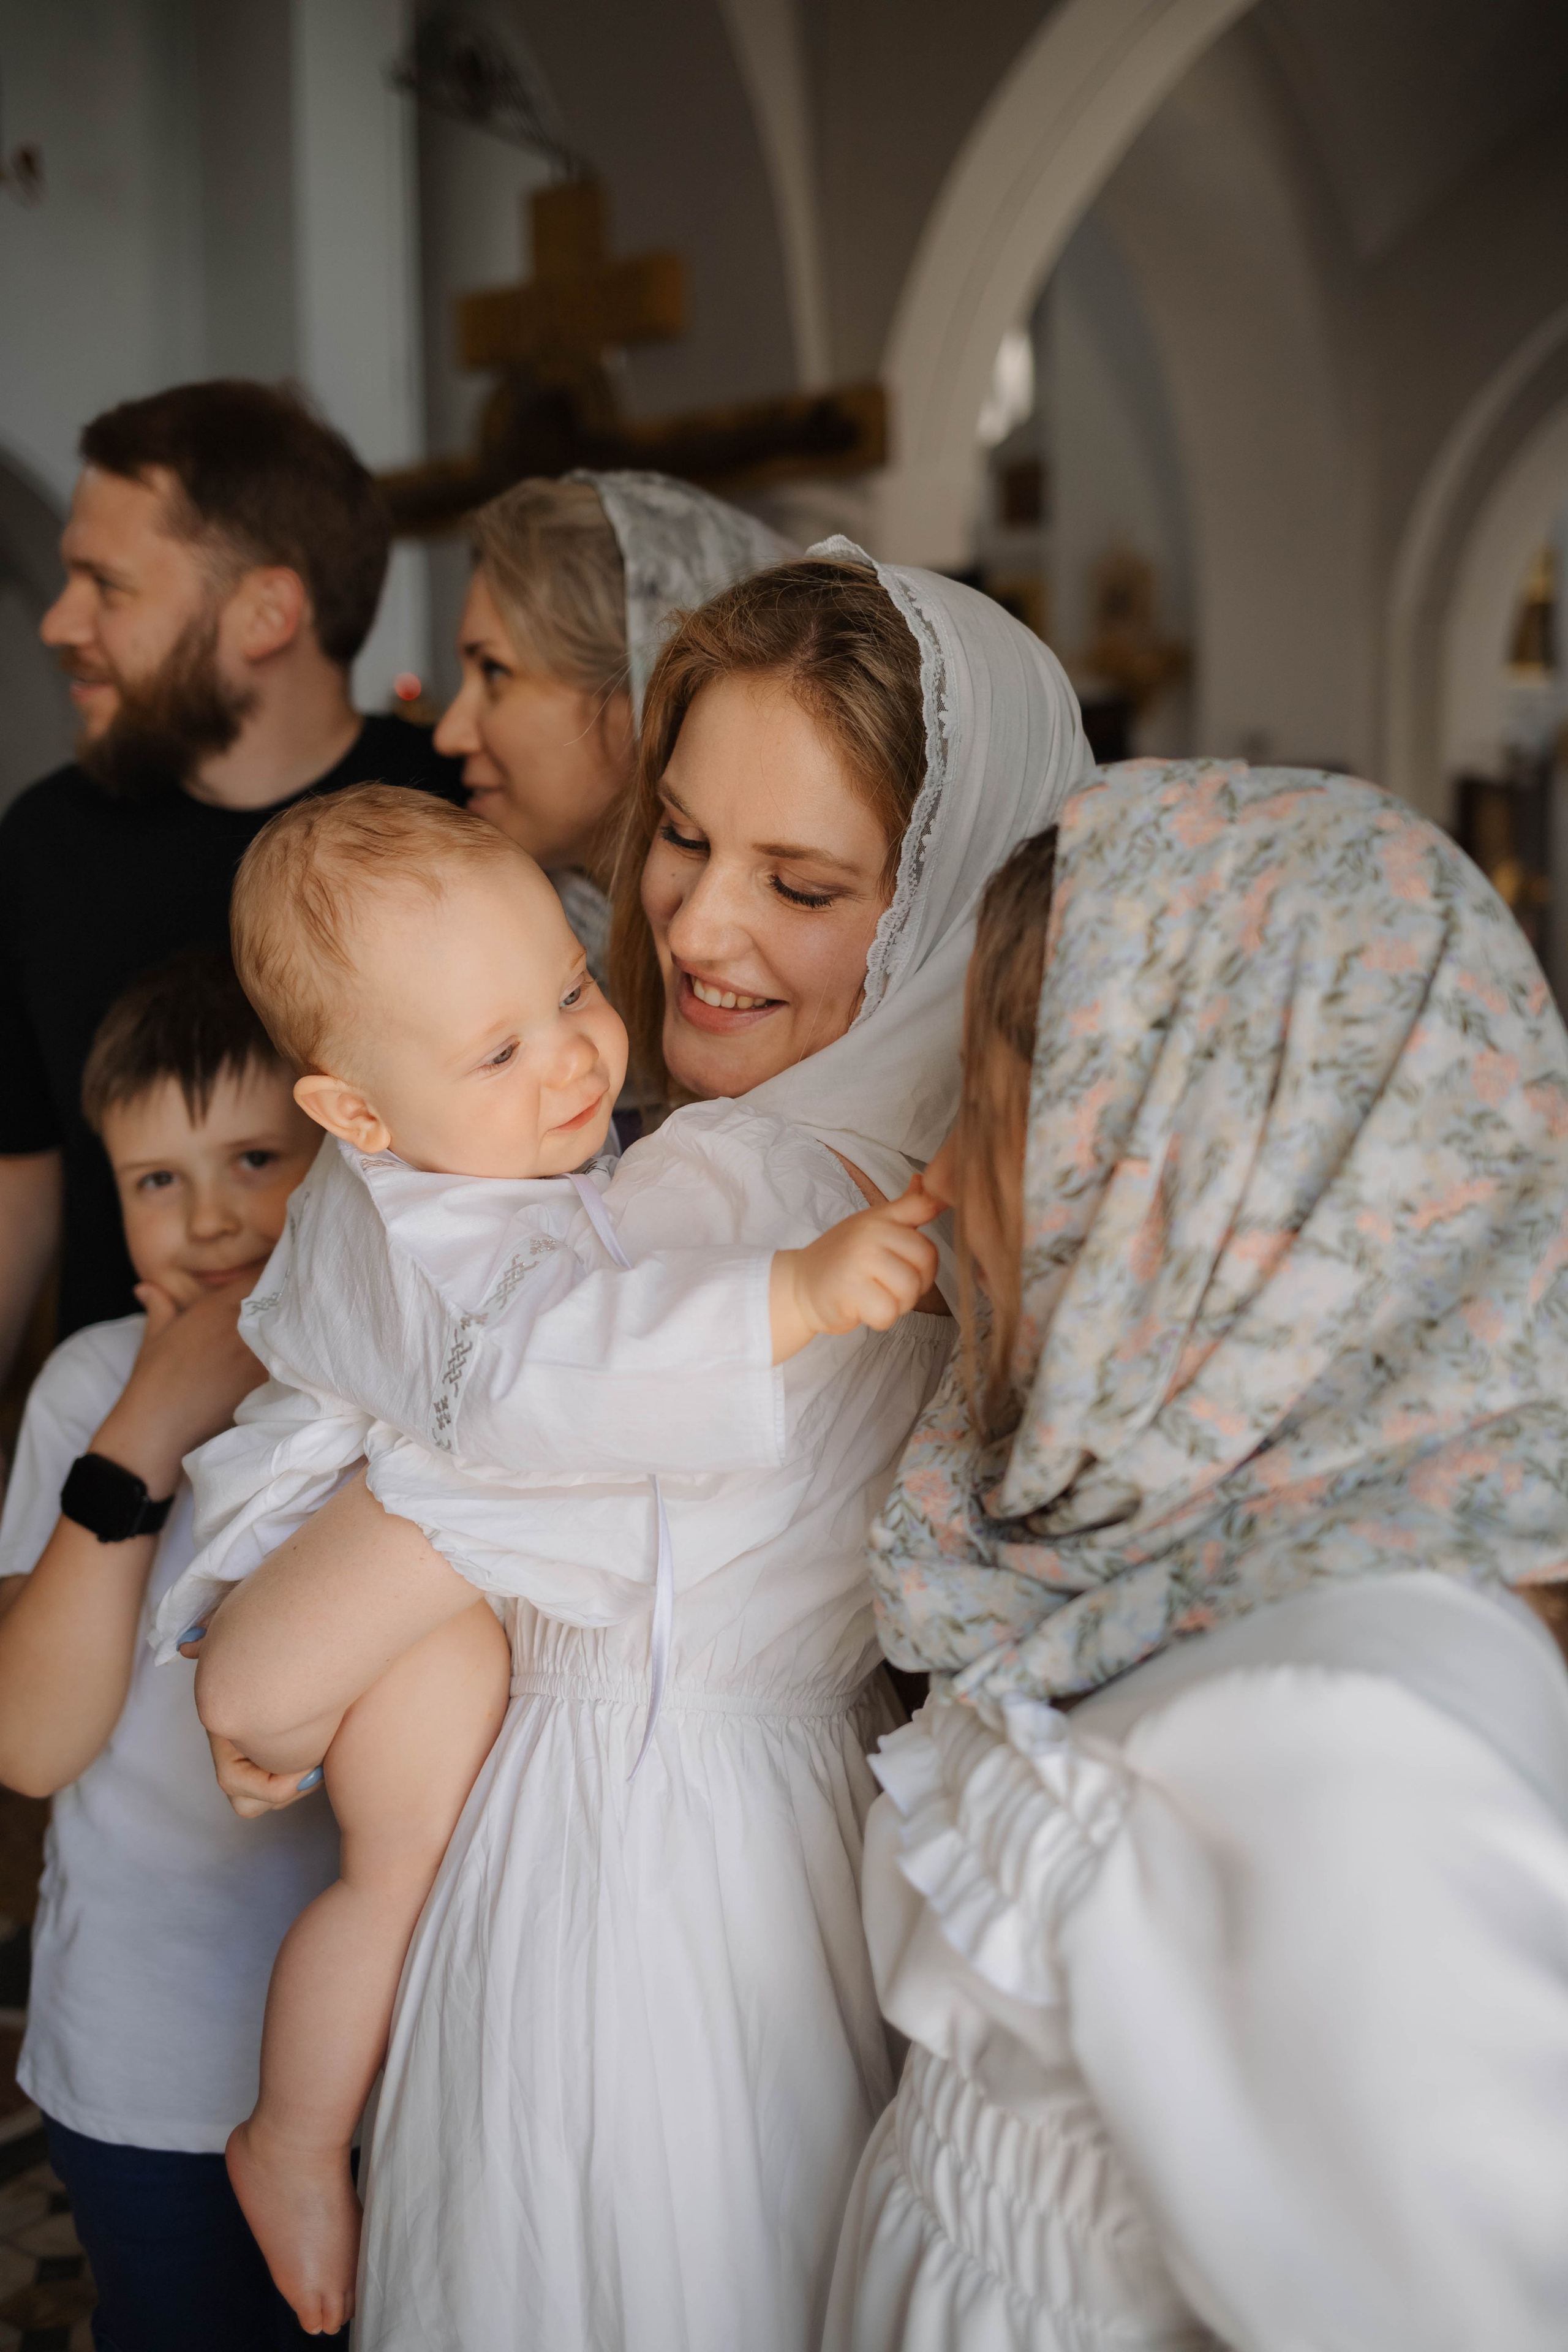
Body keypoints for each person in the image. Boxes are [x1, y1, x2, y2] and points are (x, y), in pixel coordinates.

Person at [189, 543, 1092, 2351]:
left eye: (802, 879)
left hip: (618, 1886)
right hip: (790, 1861)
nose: (687, 927)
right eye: (678, 836)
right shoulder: (983, 1177)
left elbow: (273, 1669)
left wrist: (258, 1674)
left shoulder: (718, 1199)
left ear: (947, 890)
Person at [151, 783, 940, 2335]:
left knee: (410, 1843)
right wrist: (785, 1295)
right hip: (312, 1544)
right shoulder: (429, 1220)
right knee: (394, 1861)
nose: (573, 1051)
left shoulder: (494, 1155)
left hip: (406, 1565)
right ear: (357, 1116)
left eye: (570, 989)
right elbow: (542, 1382)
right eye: (498, 1050)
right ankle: (294, 2138)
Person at [829, 765, 1568, 2351]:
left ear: (1197, 1186)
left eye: (994, 1111)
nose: (942, 1184)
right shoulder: (1231, 1586)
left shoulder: (1348, 1741)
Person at [0, 949, 337, 2352]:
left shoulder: (390, 1381)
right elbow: (32, 1741)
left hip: (386, 2056)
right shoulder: (90, 1386)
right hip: (146, 2065)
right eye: (155, 1180)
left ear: (343, 1146)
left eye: (255, 1156)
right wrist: (146, 1430)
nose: (207, 1219)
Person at [0, 378, 462, 1376]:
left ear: (265, 613)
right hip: (118, 1412)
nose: (58, 620)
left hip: (397, 1422)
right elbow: (18, 1179)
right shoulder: (43, 845)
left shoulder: (453, 820)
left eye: (107, 586)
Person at [434, 470, 786, 1003]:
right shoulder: (461, 961)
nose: (449, 735)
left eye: (496, 673)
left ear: (642, 685)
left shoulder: (792, 971)